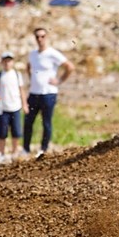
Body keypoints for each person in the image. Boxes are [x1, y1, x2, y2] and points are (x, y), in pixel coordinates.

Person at [23, 28, 74, 159]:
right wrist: (32, 79)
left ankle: (43, 149)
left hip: (48, 93)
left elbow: (69, 67)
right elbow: (28, 67)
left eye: (42, 36)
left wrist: (59, 80)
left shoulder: (52, 53)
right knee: (28, 121)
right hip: (34, 93)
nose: (40, 39)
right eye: (37, 37)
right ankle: (25, 149)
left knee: (46, 122)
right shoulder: (32, 54)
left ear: (47, 37)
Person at [0, 52, 26, 158]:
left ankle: (14, 152)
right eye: (5, 61)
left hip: (15, 107)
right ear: (2, 62)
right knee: (2, 133)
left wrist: (25, 104)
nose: (7, 63)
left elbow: (21, 90)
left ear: (12, 62)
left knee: (16, 132)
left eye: (9, 61)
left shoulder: (17, 74)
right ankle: (2, 154)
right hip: (2, 108)